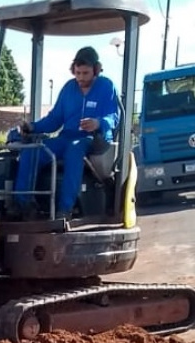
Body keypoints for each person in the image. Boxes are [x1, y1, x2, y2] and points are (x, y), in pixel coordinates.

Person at [9, 46, 120, 219]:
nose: (81, 78)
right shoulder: (69, 88)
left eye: (85, 73)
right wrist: (33, 127)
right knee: (33, 150)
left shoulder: (106, 86)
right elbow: (54, 119)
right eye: (77, 73)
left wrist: (98, 123)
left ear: (96, 70)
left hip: (93, 139)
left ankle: (64, 209)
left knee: (74, 150)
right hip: (67, 136)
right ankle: (23, 204)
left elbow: (113, 116)